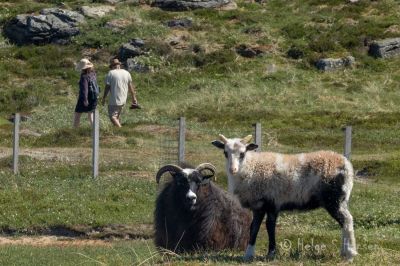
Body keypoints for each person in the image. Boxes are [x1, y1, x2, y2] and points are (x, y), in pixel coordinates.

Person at [101, 58, 141, 127]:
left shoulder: (111, 73)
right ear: (119, 65)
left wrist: (104, 98)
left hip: (114, 100)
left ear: (112, 66)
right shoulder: (126, 73)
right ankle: (118, 132)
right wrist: (134, 98)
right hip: (123, 100)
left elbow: (107, 87)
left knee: (112, 117)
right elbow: (131, 87)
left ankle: (121, 130)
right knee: (117, 117)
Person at [73, 58, 99, 128]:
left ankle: (75, 130)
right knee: (91, 114)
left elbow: (85, 89)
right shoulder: (93, 74)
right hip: (94, 97)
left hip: (85, 98)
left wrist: (85, 100)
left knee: (77, 114)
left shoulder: (84, 77)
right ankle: (95, 130)